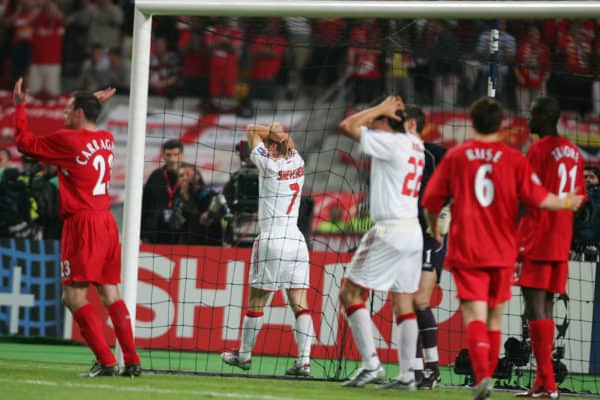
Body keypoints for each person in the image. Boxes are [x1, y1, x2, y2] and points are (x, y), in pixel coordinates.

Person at [422, 97, 584, 400]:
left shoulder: (461, 156)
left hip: (487, 245)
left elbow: (432, 202)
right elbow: (542, 197)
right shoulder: (524, 157)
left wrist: (434, 227)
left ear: (471, 122)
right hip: (523, 246)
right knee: (506, 315)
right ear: (501, 125)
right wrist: (566, 203)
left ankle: (497, 378)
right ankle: (540, 382)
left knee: (481, 315)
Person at [12, 78, 141, 377]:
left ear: (80, 112)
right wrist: (91, 103)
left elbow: (24, 144)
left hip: (82, 224)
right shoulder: (107, 138)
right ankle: (131, 361)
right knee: (111, 293)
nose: (64, 114)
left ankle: (107, 362)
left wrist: (20, 108)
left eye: (69, 109)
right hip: (107, 223)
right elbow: (88, 127)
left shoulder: (67, 141)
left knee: (72, 297)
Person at [337, 96, 425, 389]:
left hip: (390, 231)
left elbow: (347, 125)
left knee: (349, 293)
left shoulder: (394, 143)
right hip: (413, 231)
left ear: (391, 123)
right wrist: (388, 114)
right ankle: (408, 375)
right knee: (404, 302)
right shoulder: (416, 144)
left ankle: (371, 365)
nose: (373, 125)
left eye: (379, 121)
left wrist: (380, 109)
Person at [221, 122, 314, 377]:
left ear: (272, 144)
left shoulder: (268, 164)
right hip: (297, 240)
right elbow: (284, 142)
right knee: (300, 303)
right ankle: (304, 361)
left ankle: (244, 356)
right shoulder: (298, 161)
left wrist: (273, 132)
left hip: (272, 239)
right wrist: (280, 134)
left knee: (257, 302)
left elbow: (250, 129)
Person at [514, 97, 587, 399]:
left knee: (534, 307)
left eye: (532, 114)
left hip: (538, 235)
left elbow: (527, 196)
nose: (529, 119)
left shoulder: (538, 150)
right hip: (561, 237)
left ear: (545, 117)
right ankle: (544, 384)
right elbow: (580, 197)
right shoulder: (574, 152)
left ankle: (549, 384)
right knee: (546, 307)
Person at [409, 105, 447, 389]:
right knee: (406, 303)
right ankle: (414, 369)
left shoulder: (436, 154)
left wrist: (445, 217)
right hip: (403, 235)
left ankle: (432, 368)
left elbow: (458, 187)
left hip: (428, 235)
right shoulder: (397, 154)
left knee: (419, 300)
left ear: (411, 125)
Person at [141, 139, 184, 244]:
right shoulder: (156, 175)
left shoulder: (190, 174)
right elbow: (144, 205)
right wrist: (142, 233)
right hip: (155, 234)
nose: (172, 159)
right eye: (168, 155)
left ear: (181, 156)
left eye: (176, 155)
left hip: (181, 235)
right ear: (163, 156)